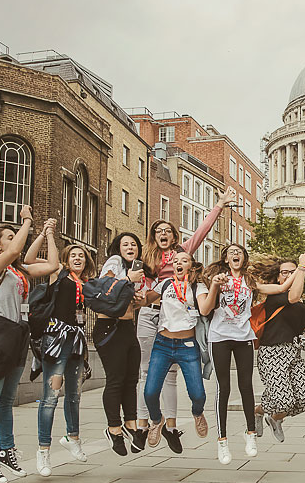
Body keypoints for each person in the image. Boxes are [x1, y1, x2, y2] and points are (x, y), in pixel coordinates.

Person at [136, 186, 235, 452]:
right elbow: (142, 292)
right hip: (155, 314)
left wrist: (219, 205)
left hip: (184, 325)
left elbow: (202, 230)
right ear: (153, 237)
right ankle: (147, 423)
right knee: (147, 376)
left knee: (184, 386)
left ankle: (171, 424)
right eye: (158, 231)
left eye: (168, 230)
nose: (164, 234)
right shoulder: (147, 257)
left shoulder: (185, 257)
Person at [0, 208, 59, 483]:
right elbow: (14, 251)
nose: (14, 240)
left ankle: (6, 450)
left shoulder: (17, 271)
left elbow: (53, 266)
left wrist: (49, 235)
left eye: (14, 236)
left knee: (6, 401)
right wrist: (27, 222)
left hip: (18, 334)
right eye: (9, 237)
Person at [201, 244, 302, 464]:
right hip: (219, 337)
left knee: (246, 386)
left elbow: (281, 287)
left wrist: (301, 268)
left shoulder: (250, 282)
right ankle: (222, 441)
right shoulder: (218, 279)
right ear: (226, 259)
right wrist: (215, 288)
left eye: (239, 252)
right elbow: (205, 310)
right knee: (224, 388)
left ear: (244, 259)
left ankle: (250, 435)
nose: (235, 255)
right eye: (231, 253)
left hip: (243, 338)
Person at [30, 242, 96, 476]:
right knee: (50, 397)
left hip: (76, 341)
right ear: (66, 258)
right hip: (57, 340)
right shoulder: (58, 272)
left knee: (75, 395)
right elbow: (28, 259)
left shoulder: (84, 283)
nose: (78, 258)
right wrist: (48, 234)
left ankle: (73, 437)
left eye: (82, 255)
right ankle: (43, 450)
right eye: (73, 255)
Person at [142, 252, 212, 451]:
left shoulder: (198, 287)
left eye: (184, 260)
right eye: (175, 261)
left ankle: (197, 413)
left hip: (187, 346)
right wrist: (138, 289)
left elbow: (205, 307)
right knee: (150, 392)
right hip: (162, 344)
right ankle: (156, 420)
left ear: (191, 265)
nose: (178, 263)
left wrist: (214, 286)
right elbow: (146, 300)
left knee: (198, 394)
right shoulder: (165, 284)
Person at [252, 254, 305, 447]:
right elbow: (293, 296)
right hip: (272, 354)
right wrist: (302, 268)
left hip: (293, 354)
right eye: (284, 273)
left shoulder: (301, 302)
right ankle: (258, 411)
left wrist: (304, 335)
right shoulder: (275, 296)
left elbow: (296, 324)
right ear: (278, 278)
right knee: (284, 400)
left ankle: (274, 417)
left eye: (292, 271)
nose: (289, 275)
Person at [97, 233, 149, 455]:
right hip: (110, 329)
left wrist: (138, 301)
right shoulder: (115, 262)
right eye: (125, 244)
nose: (130, 247)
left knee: (131, 380)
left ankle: (130, 423)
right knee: (116, 380)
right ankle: (113, 429)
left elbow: (123, 300)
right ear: (117, 247)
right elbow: (104, 286)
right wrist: (128, 279)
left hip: (128, 327)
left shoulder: (134, 269)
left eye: (134, 244)